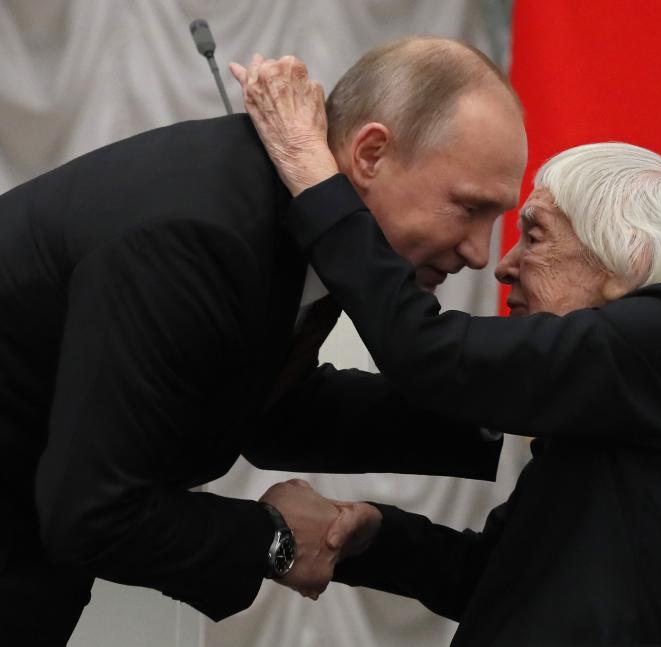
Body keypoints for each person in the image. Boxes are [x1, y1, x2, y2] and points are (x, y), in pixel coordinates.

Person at [234, 58, 661, 645]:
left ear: (629, 262)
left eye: (536, 234)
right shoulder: (625, 381)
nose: (502, 265)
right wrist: (376, 535)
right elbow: (497, 581)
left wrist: (313, 175)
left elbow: (429, 354)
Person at [0, 38, 525, 644]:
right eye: (466, 208)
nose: (480, 254)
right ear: (371, 153)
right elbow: (92, 514)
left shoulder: (271, 210)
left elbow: (266, 407)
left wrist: (509, 407)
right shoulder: (203, 238)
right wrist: (274, 539)